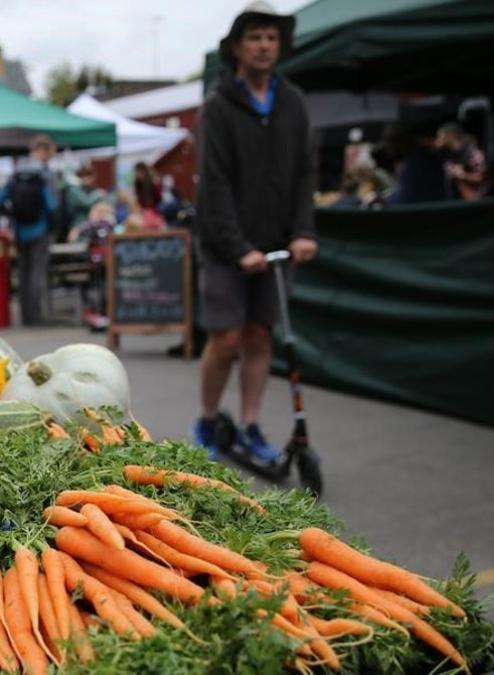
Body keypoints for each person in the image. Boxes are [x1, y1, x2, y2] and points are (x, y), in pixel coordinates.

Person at [193, 2, 318, 465]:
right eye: (255, 37)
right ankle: (206, 418)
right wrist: (237, 247)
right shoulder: (218, 107)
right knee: (225, 338)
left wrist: (303, 230)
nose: (265, 45)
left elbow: (307, 172)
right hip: (226, 246)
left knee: (259, 336)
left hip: (277, 242)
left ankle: (249, 425)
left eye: (271, 37)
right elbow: (215, 184)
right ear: (237, 48)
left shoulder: (294, 103)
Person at [0, 135, 59, 326]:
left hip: (20, 231)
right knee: (37, 273)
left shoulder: (16, 173)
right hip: (40, 230)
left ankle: (25, 315)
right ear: (43, 150)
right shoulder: (43, 175)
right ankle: (37, 315)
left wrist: (12, 215)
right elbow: (52, 205)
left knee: (23, 274)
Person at [68, 201, 117, 330]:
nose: (90, 215)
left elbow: (75, 236)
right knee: (103, 289)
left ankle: (99, 316)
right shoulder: (112, 225)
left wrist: (77, 230)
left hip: (97, 263)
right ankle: (103, 315)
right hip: (109, 263)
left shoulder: (96, 225)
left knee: (96, 289)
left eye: (92, 213)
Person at [435, 122, 486, 201]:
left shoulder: (472, 153)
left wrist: (462, 175)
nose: (438, 140)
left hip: (472, 206)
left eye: (440, 136)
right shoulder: (449, 155)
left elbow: (483, 178)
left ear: (450, 136)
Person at [61, 164, 105, 241]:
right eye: (88, 177)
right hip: (77, 225)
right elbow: (86, 203)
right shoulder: (74, 189)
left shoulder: (86, 189)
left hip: (89, 224)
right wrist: (97, 194)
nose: (91, 180)